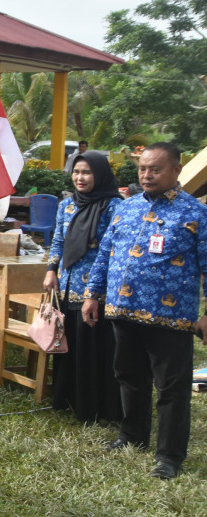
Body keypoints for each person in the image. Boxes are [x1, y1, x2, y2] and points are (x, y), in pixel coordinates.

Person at [82, 143, 207, 480]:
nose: (147, 175)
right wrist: (92, 294)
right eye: (142, 169)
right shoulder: (126, 208)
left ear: (176, 171)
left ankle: (169, 456)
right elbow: (105, 254)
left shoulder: (195, 213)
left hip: (171, 317)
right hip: (123, 310)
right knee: (129, 376)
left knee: (171, 388)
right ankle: (132, 435)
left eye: (156, 169)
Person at [43, 151, 123, 423]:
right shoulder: (66, 204)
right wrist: (51, 269)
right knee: (69, 344)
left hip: (94, 290)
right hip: (66, 286)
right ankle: (68, 400)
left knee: (93, 348)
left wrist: (96, 291)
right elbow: (57, 240)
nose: (80, 177)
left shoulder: (113, 206)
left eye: (87, 172)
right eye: (76, 172)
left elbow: (111, 250)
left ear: (99, 174)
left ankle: (95, 406)